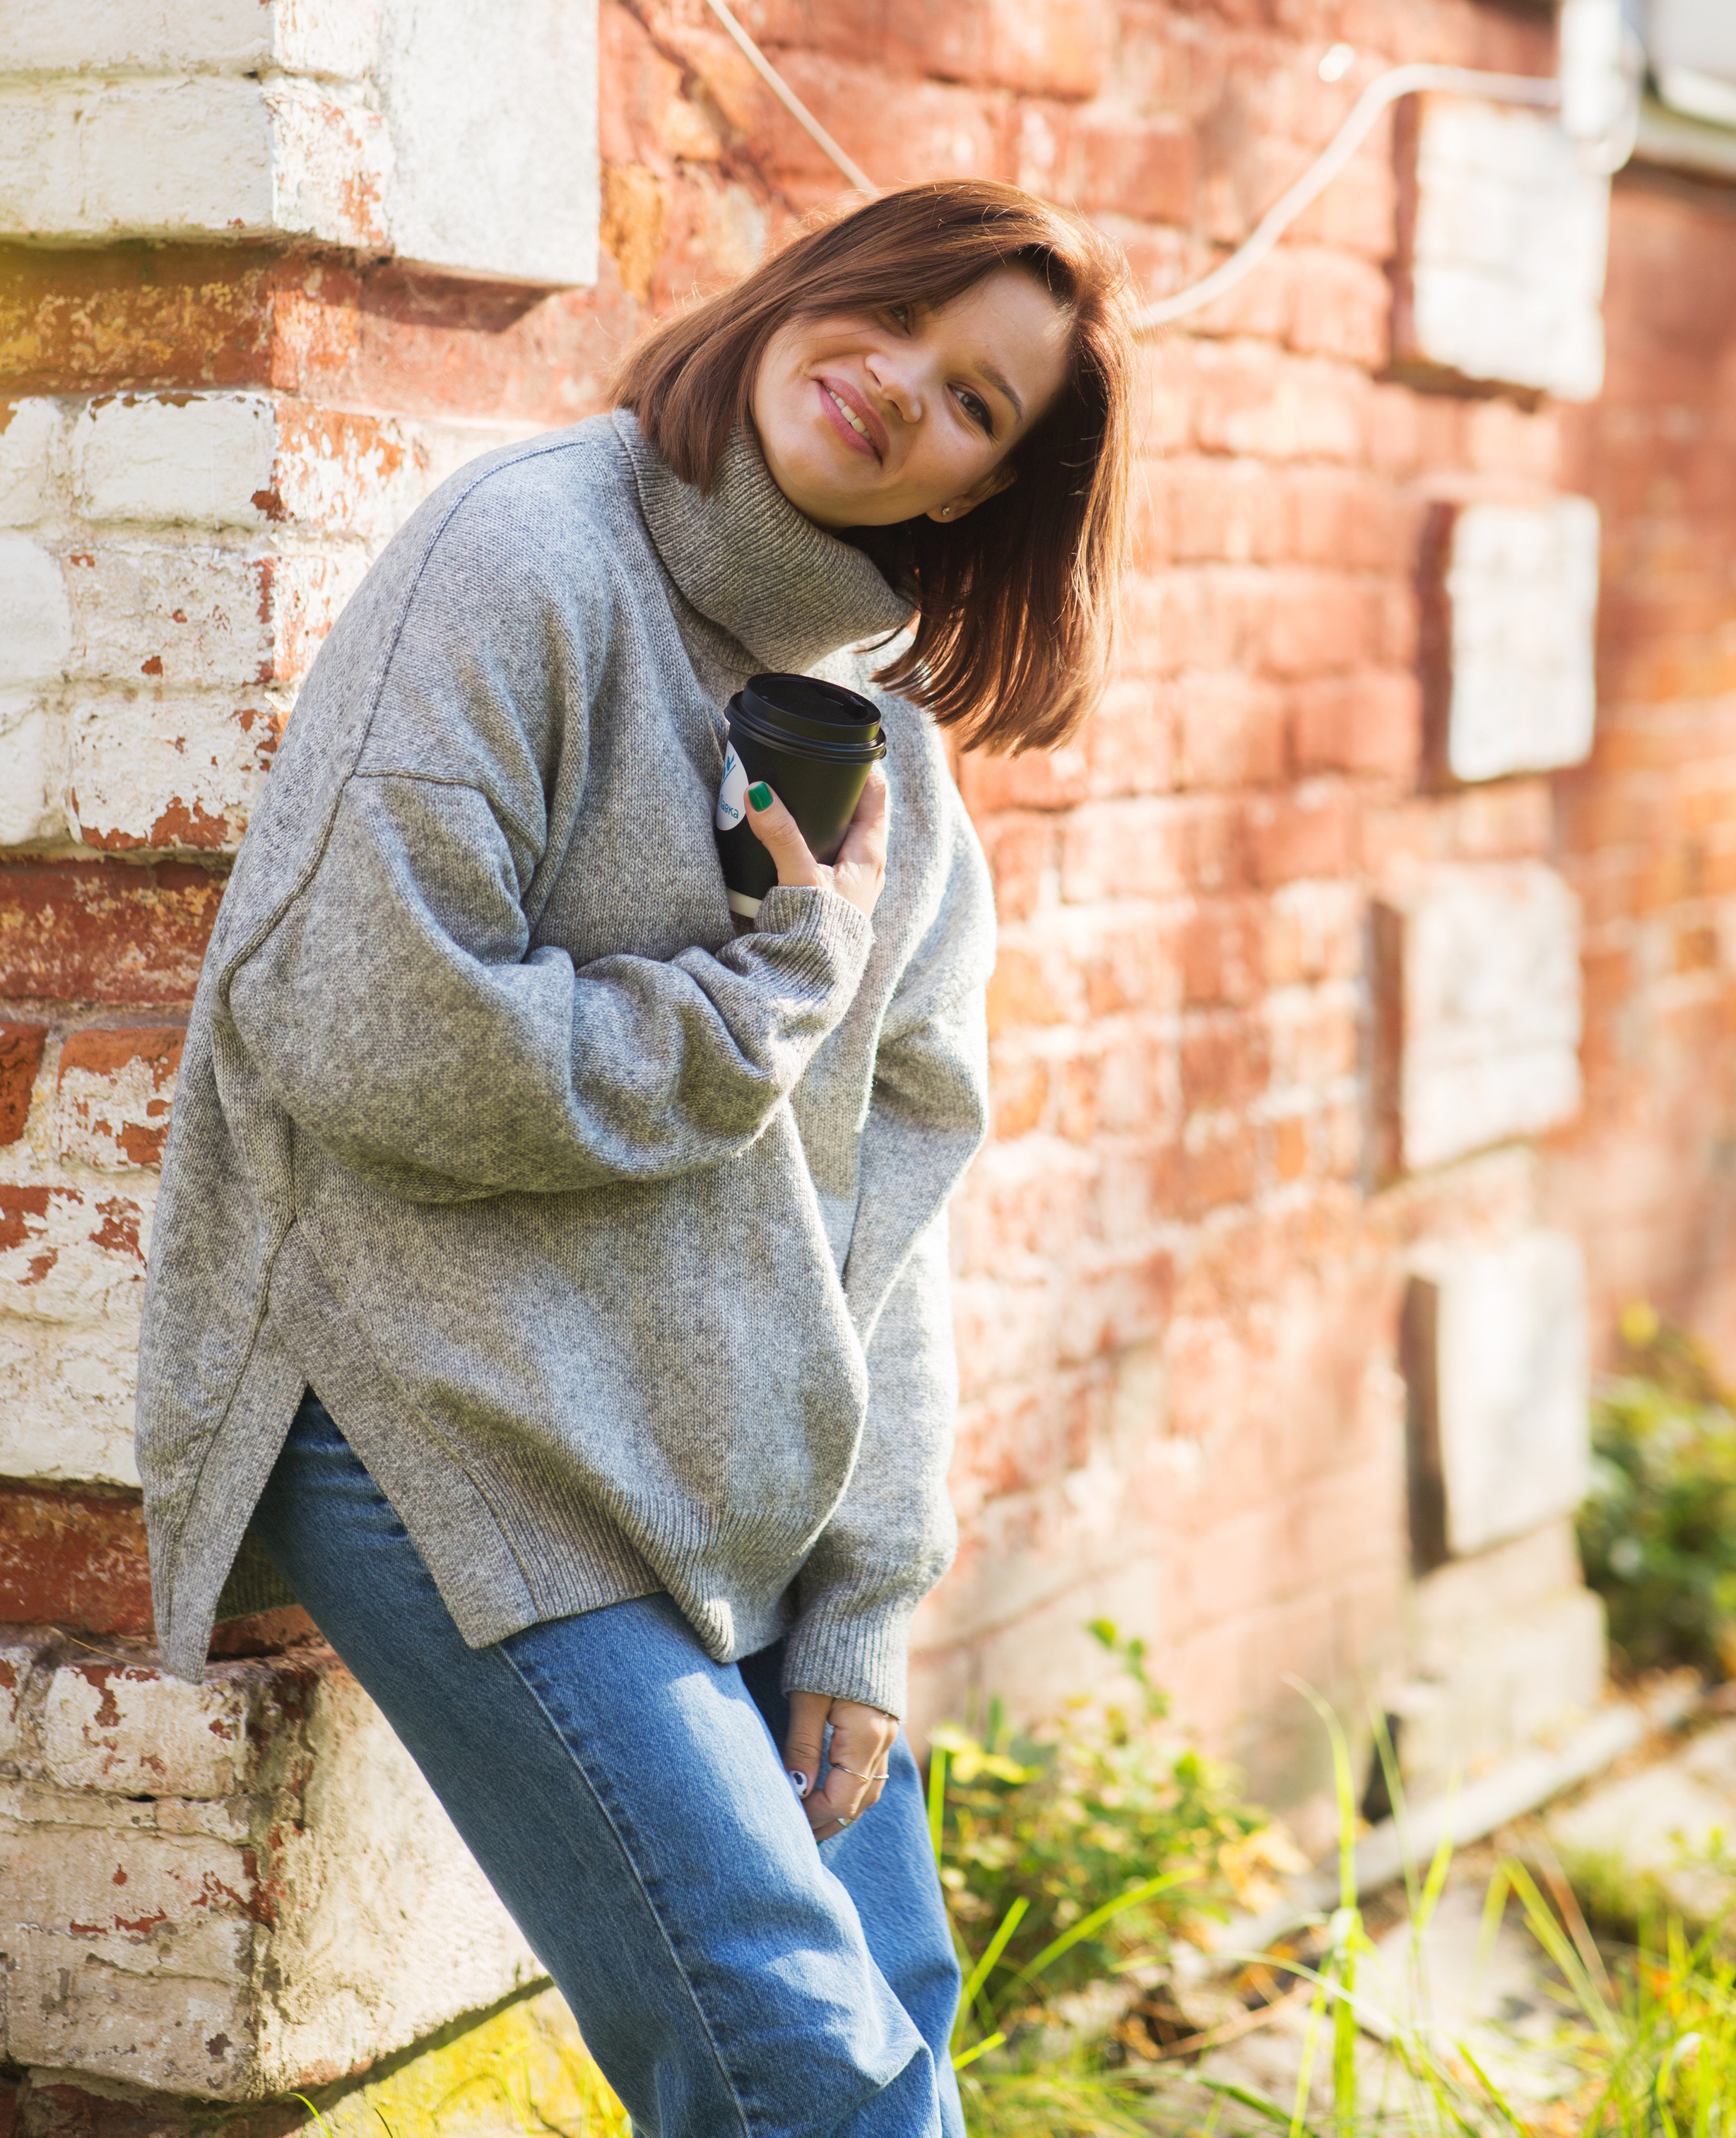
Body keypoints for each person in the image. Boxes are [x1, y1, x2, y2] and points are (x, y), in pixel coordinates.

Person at [136, 179, 1140, 2137]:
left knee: (902, 2020)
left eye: (976, 403)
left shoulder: (890, 754)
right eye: (901, 316)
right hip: (438, 1403)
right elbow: (361, 1030)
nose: (903, 386)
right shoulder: (524, 554)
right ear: (814, 287)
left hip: (719, 1450)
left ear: (981, 496)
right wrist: (768, 994)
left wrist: (863, 1604)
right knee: (803, 2069)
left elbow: (888, 1211)